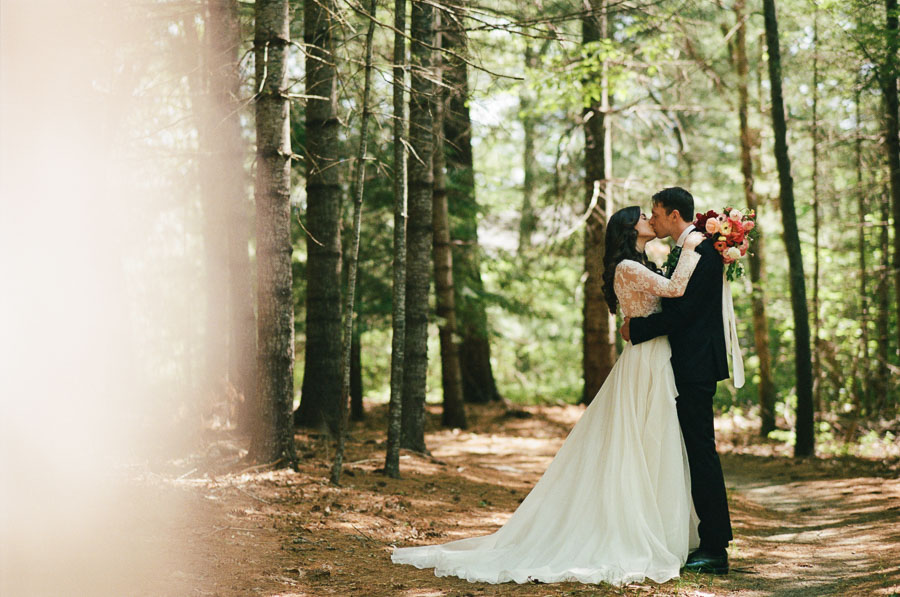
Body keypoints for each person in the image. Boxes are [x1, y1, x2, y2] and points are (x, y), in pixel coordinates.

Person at [391, 205, 705, 586]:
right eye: (642, 217)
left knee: (653, 442)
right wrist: (694, 244)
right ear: (627, 229)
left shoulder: (640, 263)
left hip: (653, 356)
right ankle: (634, 529)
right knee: (642, 442)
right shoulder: (626, 266)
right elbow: (675, 289)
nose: (649, 220)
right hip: (645, 362)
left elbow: (660, 302)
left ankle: (658, 523)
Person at [620, 186, 733, 575]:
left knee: (700, 452)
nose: (652, 220)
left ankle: (716, 546)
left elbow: (684, 315)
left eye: (655, 212)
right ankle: (696, 537)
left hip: (695, 366)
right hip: (682, 364)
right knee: (686, 452)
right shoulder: (687, 251)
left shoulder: (700, 250)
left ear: (672, 214)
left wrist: (636, 329)